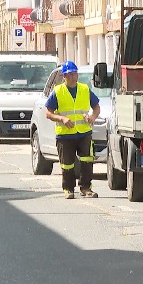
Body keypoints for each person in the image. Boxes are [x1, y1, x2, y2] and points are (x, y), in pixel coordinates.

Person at [45, 60, 101, 199]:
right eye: (69, 74)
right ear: (64, 76)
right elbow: (48, 113)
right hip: (65, 135)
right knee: (67, 164)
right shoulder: (58, 91)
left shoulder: (84, 89)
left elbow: (96, 107)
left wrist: (92, 117)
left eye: (74, 73)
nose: (72, 76)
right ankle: (68, 189)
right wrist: (62, 119)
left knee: (87, 161)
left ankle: (86, 188)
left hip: (84, 132)